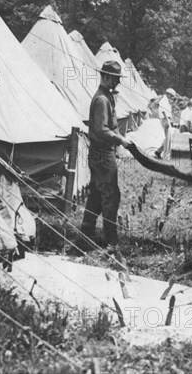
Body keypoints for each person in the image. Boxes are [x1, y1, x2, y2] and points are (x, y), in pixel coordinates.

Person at [81, 60, 133, 248]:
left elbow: (111, 127)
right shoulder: (102, 99)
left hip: (101, 152)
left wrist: (121, 140)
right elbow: (102, 130)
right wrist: (121, 140)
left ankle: (85, 235)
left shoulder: (106, 97)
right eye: (116, 79)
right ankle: (111, 239)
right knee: (111, 195)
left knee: (96, 194)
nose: (118, 82)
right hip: (102, 154)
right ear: (106, 76)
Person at [155, 88, 176, 159]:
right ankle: (166, 155)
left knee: (168, 137)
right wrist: (167, 120)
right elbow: (163, 111)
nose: (171, 97)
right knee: (167, 138)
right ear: (168, 94)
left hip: (166, 119)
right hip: (164, 119)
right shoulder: (164, 100)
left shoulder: (166, 100)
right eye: (171, 95)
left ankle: (158, 151)